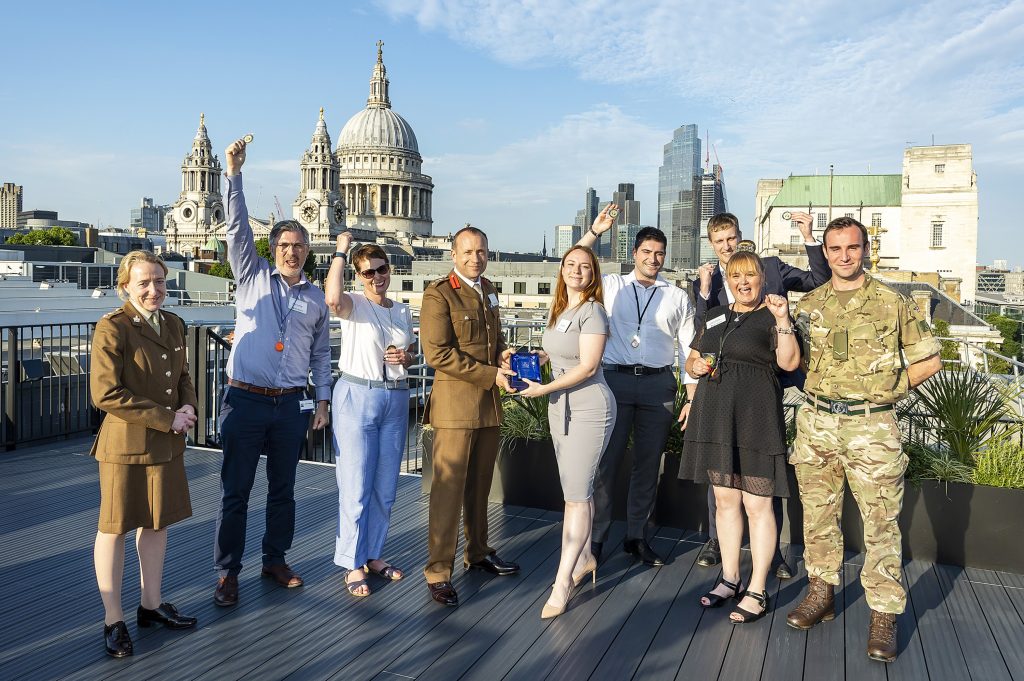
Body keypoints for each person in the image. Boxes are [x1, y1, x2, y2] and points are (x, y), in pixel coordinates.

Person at [786, 216, 941, 662]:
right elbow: (794, 360)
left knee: (880, 524)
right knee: (817, 516)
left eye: (851, 248)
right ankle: (822, 594)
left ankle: (884, 614)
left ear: (865, 249)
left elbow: (929, 362)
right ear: (826, 253)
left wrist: (888, 389)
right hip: (816, 423)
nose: (842, 256)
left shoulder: (894, 302)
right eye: (834, 249)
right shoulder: (810, 305)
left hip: (871, 428)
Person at [212, 137, 332, 607]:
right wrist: (234, 174)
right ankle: (226, 573)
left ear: (307, 252)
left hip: (289, 405)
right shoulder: (251, 275)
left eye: (299, 246)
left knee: (284, 489)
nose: (292, 252)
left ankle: (275, 558)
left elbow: (322, 354)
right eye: (284, 245)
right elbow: (237, 227)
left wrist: (321, 399)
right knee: (235, 492)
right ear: (272, 247)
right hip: (244, 399)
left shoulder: (317, 298)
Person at [690, 211, 831, 576]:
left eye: (731, 238)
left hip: (766, 387)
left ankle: (774, 554)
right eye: (720, 241)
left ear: (740, 236)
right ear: (712, 244)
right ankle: (719, 543)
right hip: (721, 391)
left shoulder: (770, 266)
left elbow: (818, 280)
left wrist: (808, 236)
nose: (727, 246)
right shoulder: (706, 283)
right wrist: (704, 294)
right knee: (722, 477)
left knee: (763, 478)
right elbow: (703, 334)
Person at [678, 252, 800, 624]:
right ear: (727, 279)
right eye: (735, 275)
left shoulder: (773, 314)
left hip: (756, 418)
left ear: (762, 278)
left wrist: (783, 321)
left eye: (750, 275)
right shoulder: (716, 315)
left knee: (758, 505)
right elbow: (692, 357)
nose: (743, 282)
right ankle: (730, 578)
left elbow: (790, 363)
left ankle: (758, 589)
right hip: (716, 416)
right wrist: (694, 366)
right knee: (726, 501)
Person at [90, 250, 199, 658]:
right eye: (144, 283)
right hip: (126, 446)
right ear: (125, 287)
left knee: (157, 524)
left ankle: (150, 606)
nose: (154, 289)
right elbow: (105, 393)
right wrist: (166, 417)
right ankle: (112, 618)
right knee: (115, 528)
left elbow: (184, 376)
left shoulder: (172, 323)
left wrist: (188, 407)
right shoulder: (113, 328)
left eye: (159, 281)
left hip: (166, 444)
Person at [577, 207, 695, 567]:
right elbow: (574, 265)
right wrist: (595, 232)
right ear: (634, 254)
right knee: (605, 464)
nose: (653, 259)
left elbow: (689, 350)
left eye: (659, 253)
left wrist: (692, 397)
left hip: (658, 385)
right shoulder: (610, 285)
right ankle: (595, 540)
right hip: (614, 381)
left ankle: (636, 536)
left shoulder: (677, 296)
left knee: (648, 464)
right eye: (646, 252)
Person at [419, 225, 521, 607]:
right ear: (453, 255)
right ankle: (438, 572)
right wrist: (491, 373)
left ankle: (477, 552)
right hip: (456, 407)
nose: (476, 258)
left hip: (488, 406)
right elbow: (437, 354)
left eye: (481, 251)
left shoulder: (489, 290)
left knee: (480, 487)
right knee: (448, 492)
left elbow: (491, 341)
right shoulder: (439, 294)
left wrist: (504, 356)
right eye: (468, 252)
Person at [515, 245, 615, 619]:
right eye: (570, 265)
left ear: (593, 275)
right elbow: (558, 353)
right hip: (561, 406)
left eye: (585, 267)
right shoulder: (560, 310)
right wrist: (533, 360)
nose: (577, 271)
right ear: (561, 270)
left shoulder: (593, 311)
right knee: (579, 490)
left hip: (589, 407)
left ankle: (562, 583)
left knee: (574, 497)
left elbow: (588, 367)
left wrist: (542, 389)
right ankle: (586, 556)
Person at [325, 232, 416, 597]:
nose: (376, 277)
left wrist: (407, 358)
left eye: (381, 270)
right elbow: (331, 297)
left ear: (389, 269)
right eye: (368, 273)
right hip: (356, 394)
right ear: (358, 277)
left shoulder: (404, 309)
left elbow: (408, 353)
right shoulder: (354, 304)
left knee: (385, 487)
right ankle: (352, 562)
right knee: (356, 485)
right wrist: (341, 251)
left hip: (395, 397)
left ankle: (374, 554)